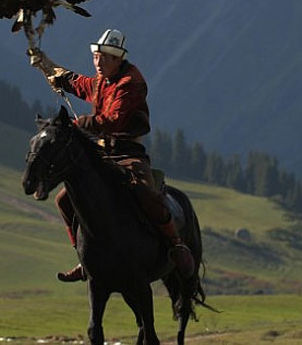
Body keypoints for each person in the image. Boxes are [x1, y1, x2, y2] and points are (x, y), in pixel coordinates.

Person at [29, 28, 195, 282]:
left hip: (129, 153)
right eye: (96, 57)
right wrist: (45, 63)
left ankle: (176, 244)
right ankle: (85, 257)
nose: (98, 62)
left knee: (144, 191)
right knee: (64, 200)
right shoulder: (101, 81)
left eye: (104, 58)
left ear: (118, 59)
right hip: (103, 154)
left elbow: (112, 120)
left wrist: (73, 126)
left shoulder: (131, 83)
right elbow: (73, 81)